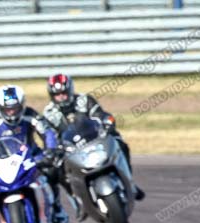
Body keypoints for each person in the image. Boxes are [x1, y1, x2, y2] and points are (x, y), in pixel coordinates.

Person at [0, 85, 67, 223]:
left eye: (15, 108)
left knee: (53, 170)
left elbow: (47, 133)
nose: (11, 112)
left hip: (32, 156)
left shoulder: (31, 115)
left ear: (22, 105)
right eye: (7, 109)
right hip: (3, 160)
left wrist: (51, 151)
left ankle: (57, 207)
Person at [43, 73, 145, 212]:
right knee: (56, 167)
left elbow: (99, 114)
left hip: (95, 139)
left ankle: (130, 183)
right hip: (71, 149)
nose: (61, 97)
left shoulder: (84, 100)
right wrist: (53, 149)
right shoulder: (49, 113)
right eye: (57, 94)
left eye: (64, 93)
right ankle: (76, 200)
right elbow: (50, 136)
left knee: (120, 143)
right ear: (51, 95)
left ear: (70, 90)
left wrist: (107, 122)